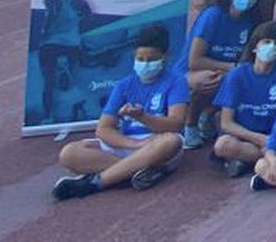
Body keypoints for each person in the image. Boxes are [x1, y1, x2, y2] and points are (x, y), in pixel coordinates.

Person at [51, 23, 186, 200]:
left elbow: (176, 124)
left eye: (151, 60)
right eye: (140, 59)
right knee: (69, 153)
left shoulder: (176, 81)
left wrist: (143, 117)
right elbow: (103, 129)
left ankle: (95, 183)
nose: (145, 64)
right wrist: (133, 144)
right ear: (134, 57)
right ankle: (130, 172)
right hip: (127, 145)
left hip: (156, 145)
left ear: (165, 57)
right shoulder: (124, 85)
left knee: (171, 141)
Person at [180, 0, 260, 149]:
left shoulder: (251, 21)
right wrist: (232, 67)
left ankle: (207, 115)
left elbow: (246, 59)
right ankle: (189, 125)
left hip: (224, 71)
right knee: (212, 78)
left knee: (243, 79)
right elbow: (194, 61)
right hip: (189, 73)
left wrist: (236, 69)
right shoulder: (213, 15)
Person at [212, 22, 276, 176]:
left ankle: (251, 161)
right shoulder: (236, 75)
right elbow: (226, 123)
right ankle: (270, 161)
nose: (271, 46)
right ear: (255, 46)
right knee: (223, 145)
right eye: (267, 42)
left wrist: (273, 140)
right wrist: (260, 139)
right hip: (245, 137)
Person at [38, 0, 91, 122]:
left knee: (48, 82)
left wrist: (45, 33)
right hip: (72, 45)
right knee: (75, 79)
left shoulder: (50, 2)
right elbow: (88, 16)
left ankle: (48, 115)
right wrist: (78, 28)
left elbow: (46, 24)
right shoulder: (78, 1)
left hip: (50, 46)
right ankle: (78, 110)